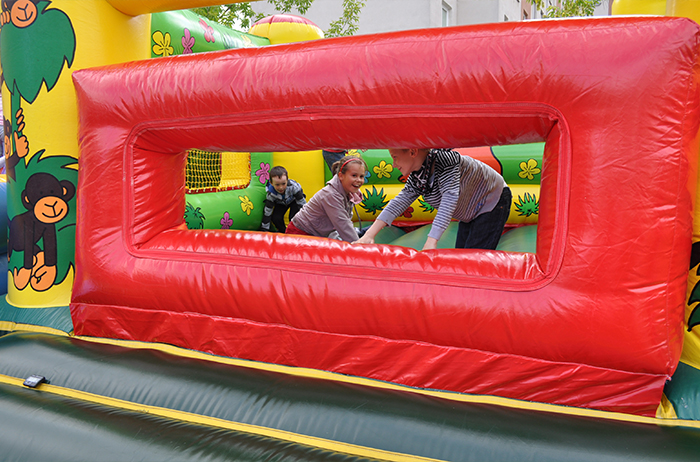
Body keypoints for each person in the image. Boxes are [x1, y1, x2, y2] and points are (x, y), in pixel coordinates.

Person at [355, 148, 511, 251]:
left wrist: (431, 241)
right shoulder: (418, 176)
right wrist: (369, 235)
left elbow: (449, 201)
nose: (394, 164)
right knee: (462, 254)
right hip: (470, 209)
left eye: (395, 157)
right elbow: (398, 203)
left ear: (412, 152)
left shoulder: (446, 162)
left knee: (474, 258)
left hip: (492, 200)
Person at [286, 156, 367, 242]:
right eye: (354, 175)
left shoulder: (349, 192)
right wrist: (358, 245)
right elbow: (343, 225)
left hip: (317, 234)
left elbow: (345, 221)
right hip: (299, 233)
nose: (359, 180)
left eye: (361, 176)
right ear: (341, 176)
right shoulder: (331, 195)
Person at [260, 166, 306, 233]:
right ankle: (284, 232)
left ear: (287, 180)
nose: (281, 188)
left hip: (294, 200)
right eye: (277, 185)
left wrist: (306, 219)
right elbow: (268, 211)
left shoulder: (293, 187)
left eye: (283, 184)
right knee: (276, 218)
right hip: (280, 202)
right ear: (271, 183)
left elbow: (302, 203)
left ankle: (294, 232)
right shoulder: (271, 194)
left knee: (293, 217)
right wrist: (264, 229)